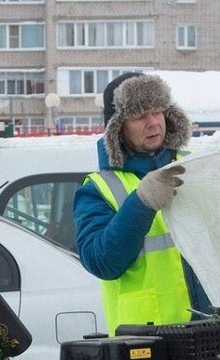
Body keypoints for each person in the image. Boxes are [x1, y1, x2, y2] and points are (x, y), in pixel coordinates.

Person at [72, 72, 211, 332]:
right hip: (146, 343)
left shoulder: (193, 166)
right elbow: (101, 261)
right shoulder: (98, 188)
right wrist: (142, 203)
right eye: (139, 116)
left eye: (157, 112)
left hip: (211, 331)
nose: (153, 123)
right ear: (117, 129)